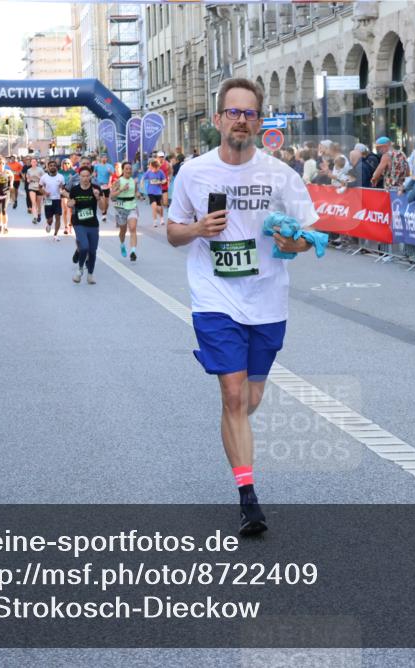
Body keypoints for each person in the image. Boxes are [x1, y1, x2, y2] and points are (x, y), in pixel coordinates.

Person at [166, 77, 319, 536]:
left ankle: (237, 435)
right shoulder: (193, 172)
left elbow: (308, 235)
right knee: (232, 394)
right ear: (217, 120)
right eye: (233, 112)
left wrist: (291, 240)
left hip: (268, 298)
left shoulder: (280, 175)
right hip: (214, 297)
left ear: (258, 122)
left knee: (250, 399)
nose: (241, 121)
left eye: (250, 114)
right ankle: (248, 497)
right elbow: (173, 232)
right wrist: (197, 230)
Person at [61, 165, 104, 284]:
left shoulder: (95, 188)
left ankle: (90, 274)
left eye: (87, 176)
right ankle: (80, 270)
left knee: (92, 251)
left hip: (93, 223)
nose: (85, 178)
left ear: (91, 176)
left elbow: (103, 208)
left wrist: (98, 197)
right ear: (79, 177)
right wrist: (70, 203)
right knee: (84, 246)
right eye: (82, 176)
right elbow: (69, 203)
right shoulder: (75, 189)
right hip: (79, 222)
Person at [111, 160, 140, 261]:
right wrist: (121, 189)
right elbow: (112, 196)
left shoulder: (134, 181)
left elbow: (135, 192)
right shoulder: (118, 181)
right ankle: (122, 244)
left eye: (130, 169)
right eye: (126, 169)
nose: (128, 170)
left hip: (132, 206)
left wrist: (139, 195)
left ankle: (133, 251)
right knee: (122, 230)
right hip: (121, 208)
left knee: (132, 228)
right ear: (123, 170)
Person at [40, 160, 66, 241]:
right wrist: (45, 192)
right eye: (51, 165)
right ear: (48, 167)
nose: (52, 167)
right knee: (50, 219)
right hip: (48, 200)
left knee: (58, 217)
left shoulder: (60, 177)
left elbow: (63, 187)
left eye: (54, 165)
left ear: (56, 167)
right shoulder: (44, 177)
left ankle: (56, 235)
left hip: (57, 199)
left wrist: (62, 190)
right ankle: (48, 224)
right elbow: (39, 188)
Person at [143, 158, 167, 227]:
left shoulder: (160, 172)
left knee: (159, 208)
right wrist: (141, 182)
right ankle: (155, 221)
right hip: (150, 192)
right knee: (154, 206)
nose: (154, 170)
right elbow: (144, 177)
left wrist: (160, 182)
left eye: (155, 168)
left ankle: (162, 218)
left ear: (157, 167)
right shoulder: (149, 172)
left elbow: (165, 180)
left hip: (158, 192)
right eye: (152, 168)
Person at [92, 155, 115, 222]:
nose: (104, 158)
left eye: (105, 157)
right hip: (99, 185)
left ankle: (105, 212)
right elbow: (94, 173)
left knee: (107, 202)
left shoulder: (110, 166)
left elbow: (113, 174)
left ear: (107, 158)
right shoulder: (97, 166)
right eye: (102, 157)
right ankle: (103, 213)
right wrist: (94, 176)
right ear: (100, 158)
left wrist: (110, 172)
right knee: (102, 199)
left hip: (107, 185)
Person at [25, 157, 45, 223]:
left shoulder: (40, 170)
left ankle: (39, 214)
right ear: (30, 163)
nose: (33, 163)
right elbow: (27, 180)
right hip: (32, 186)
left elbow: (44, 179)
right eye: (32, 161)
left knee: (39, 203)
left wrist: (38, 177)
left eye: (34, 161)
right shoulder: (29, 170)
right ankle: (34, 217)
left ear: (36, 162)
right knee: (33, 203)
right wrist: (29, 179)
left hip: (39, 187)